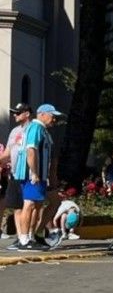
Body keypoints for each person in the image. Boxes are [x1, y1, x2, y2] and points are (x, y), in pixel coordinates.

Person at [15, 104, 65, 251]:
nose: (54, 119)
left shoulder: (43, 131)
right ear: (42, 114)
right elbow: (31, 150)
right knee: (29, 204)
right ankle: (24, 239)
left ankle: (30, 236)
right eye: (52, 115)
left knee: (37, 205)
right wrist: (34, 172)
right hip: (31, 174)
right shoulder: (35, 128)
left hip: (41, 175)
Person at [0, 103, 33, 250]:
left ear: (27, 114)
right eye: (14, 113)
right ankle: (21, 238)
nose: (15, 115)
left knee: (31, 205)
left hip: (29, 174)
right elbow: (7, 153)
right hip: (15, 174)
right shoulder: (14, 131)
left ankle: (29, 236)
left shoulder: (33, 129)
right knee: (17, 206)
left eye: (18, 112)